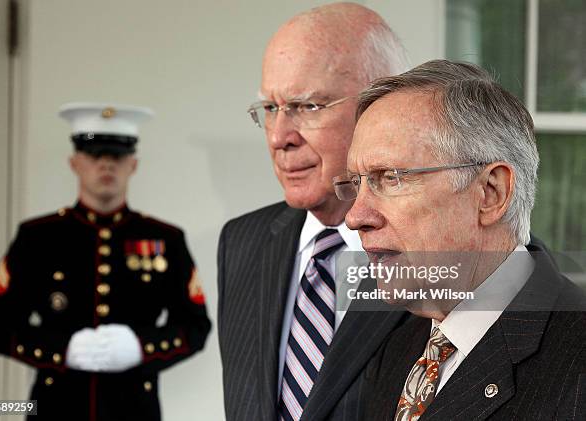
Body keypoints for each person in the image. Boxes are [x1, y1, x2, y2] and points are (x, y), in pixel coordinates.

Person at [339, 59, 586, 420]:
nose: (355, 217)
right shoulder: (394, 352)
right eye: (357, 183)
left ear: (490, 192)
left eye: (390, 178)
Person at [217, 3, 409, 420]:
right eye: (270, 109)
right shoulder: (241, 242)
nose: (280, 137)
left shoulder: (432, 247)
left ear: (380, 104)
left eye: (307, 106)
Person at [0, 103, 211, 421]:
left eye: (116, 156)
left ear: (133, 164)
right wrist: (62, 350)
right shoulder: (37, 237)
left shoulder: (165, 239)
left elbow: (196, 327)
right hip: (53, 409)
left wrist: (140, 347)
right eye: (94, 154)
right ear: (74, 162)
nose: (106, 165)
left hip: (135, 411)